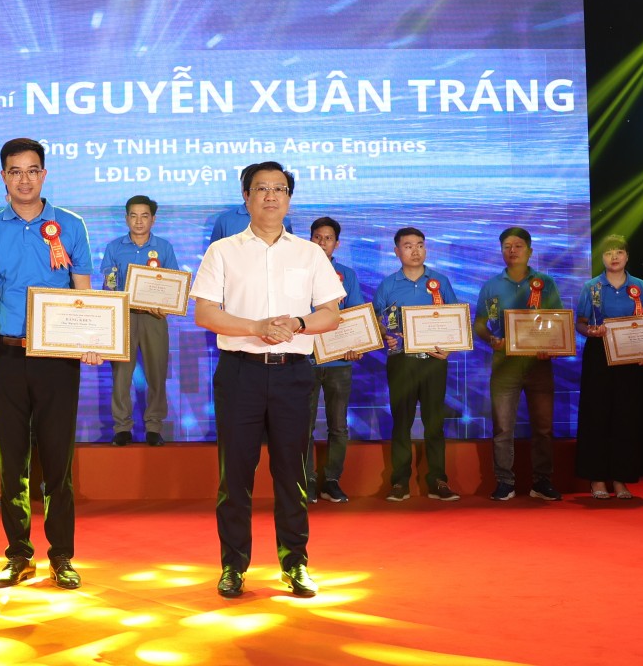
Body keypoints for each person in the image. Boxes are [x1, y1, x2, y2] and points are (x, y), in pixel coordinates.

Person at [190, 162, 343, 600]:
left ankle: (295, 564)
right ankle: (233, 566)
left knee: (292, 474)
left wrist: (297, 323)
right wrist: (256, 327)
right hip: (240, 373)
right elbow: (205, 313)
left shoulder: (309, 254)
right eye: (261, 188)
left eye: (279, 189)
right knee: (235, 475)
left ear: (289, 198)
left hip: (293, 373)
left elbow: (331, 314)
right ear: (246, 197)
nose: (271, 196)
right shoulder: (222, 251)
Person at [0, 137, 99, 591]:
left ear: (44, 174)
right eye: (15, 171)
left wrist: (89, 339)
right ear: (3, 176)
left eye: (32, 170)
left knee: (58, 461)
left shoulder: (70, 226)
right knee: (11, 465)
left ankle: (61, 555)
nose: (24, 179)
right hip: (2, 357)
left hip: (56, 358)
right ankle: (19, 555)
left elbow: (83, 291)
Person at [474, 227, 565, 502]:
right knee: (503, 427)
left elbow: (558, 320)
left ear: (530, 251)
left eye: (518, 246)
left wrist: (552, 347)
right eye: (507, 247)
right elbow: (480, 323)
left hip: (539, 364)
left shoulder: (545, 283)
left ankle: (542, 482)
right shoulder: (492, 285)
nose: (512, 251)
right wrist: (491, 338)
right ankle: (505, 482)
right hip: (505, 364)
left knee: (543, 427)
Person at [372, 227, 461, 502]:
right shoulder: (388, 284)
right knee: (401, 423)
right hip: (401, 363)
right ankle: (400, 482)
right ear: (397, 251)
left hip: (434, 362)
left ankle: (438, 481)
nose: (415, 251)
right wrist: (385, 334)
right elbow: (375, 320)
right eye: (408, 246)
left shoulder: (440, 281)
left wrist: (450, 347)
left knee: (435, 423)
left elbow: (455, 317)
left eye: (420, 245)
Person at [575, 235, 643, 500]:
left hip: (630, 356)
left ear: (627, 256)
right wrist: (590, 331)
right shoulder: (591, 286)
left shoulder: (639, 286)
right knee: (596, 416)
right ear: (602, 258)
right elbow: (580, 322)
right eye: (609, 253)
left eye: (619, 252)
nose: (615, 257)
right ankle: (597, 479)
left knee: (625, 417)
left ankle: (620, 480)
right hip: (599, 354)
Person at [100, 195, 179, 446]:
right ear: (126, 219)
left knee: (157, 372)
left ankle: (154, 426)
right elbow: (108, 284)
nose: (139, 221)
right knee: (121, 375)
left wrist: (167, 305)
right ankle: (122, 427)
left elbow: (173, 283)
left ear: (153, 219)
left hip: (154, 318)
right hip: (123, 318)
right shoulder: (114, 248)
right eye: (133, 216)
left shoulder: (164, 247)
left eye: (144, 216)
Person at [305, 217, 364, 503]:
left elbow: (355, 314)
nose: (322, 242)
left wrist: (355, 345)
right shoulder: (298, 273)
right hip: (305, 361)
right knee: (302, 426)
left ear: (336, 243)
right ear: (310, 240)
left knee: (338, 425)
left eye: (328, 238)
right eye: (317, 237)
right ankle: (306, 481)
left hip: (340, 362)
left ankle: (331, 481)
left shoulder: (347, 275)